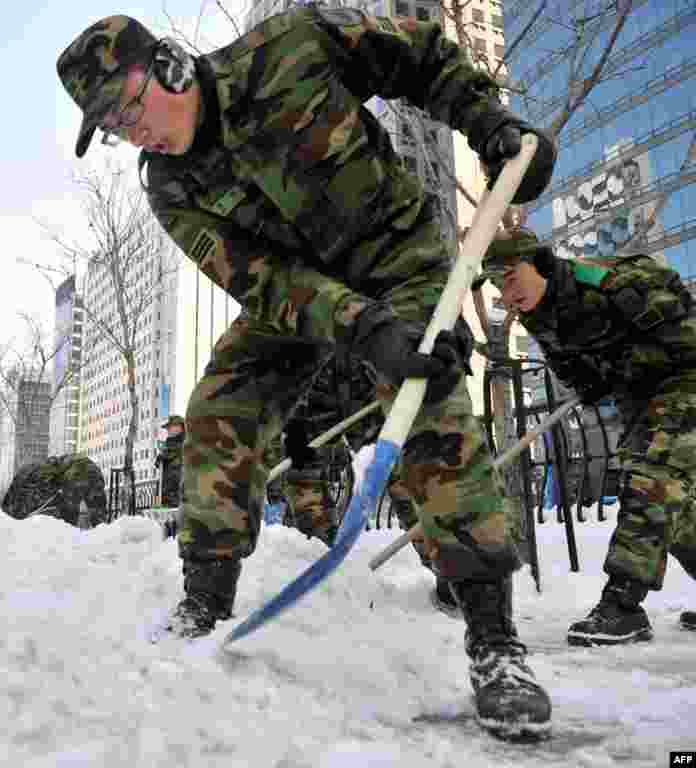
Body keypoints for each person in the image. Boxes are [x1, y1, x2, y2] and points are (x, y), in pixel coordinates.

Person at [57, 7, 557, 740]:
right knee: (219, 408)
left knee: (426, 403)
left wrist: (487, 123)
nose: (134, 132)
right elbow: (259, 278)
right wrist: (360, 326)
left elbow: (414, 57)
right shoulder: (167, 182)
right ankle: (206, 596)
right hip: (300, 292)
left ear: (168, 66)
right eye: (114, 127)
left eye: (130, 106)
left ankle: (495, 642)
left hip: (394, 254)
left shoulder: (290, 45)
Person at [481, 227, 696, 645]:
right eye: (496, 286)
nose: (507, 295)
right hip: (639, 398)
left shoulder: (610, 284)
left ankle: (622, 607)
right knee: (675, 507)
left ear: (538, 263)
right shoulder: (539, 316)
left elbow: (686, 338)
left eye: (510, 278)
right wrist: (593, 381)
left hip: (684, 380)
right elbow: (579, 376)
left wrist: (630, 356)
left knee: (651, 481)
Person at [155, 415, 186, 507]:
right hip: (166, 496)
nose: (168, 430)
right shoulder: (167, 446)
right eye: (167, 428)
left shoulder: (186, 444)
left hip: (179, 498)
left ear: (179, 427)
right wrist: (160, 460)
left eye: (170, 427)